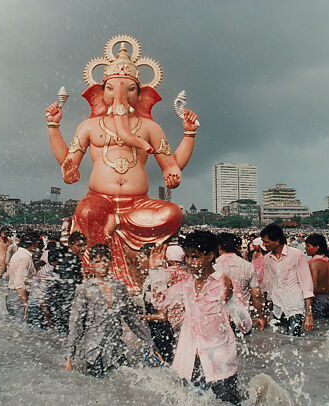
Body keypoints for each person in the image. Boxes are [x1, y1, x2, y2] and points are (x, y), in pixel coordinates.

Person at [45, 36, 198, 291]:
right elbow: (69, 162)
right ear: (100, 92)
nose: (120, 96)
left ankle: (117, 222)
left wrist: (189, 136)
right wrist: (53, 127)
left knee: (173, 213)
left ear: (140, 94)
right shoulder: (89, 127)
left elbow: (171, 164)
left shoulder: (149, 127)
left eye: (130, 89)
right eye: (111, 89)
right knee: (86, 211)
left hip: (136, 204)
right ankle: (105, 266)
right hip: (99, 199)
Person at [158, 231, 250, 405]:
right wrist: (155, 271)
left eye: (196, 257)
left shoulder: (225, 284)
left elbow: (246, 326)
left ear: (210, 256)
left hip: (220, 364)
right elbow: (159, 303)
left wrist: (230, 302)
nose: (190, 263)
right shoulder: (186, 285)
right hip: (190, 362)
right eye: (188, 257)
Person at [65, 244, 160, 377]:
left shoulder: (119, 287)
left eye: (104, 261)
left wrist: (148, 342)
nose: (101, 265)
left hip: (115, 347)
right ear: (91, 264)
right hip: (93, 350)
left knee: (124, 382)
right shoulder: (84, 289)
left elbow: (131, 318)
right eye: (97, 261)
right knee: (96, 385)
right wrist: (69, 357)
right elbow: (76, 323)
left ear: (110, 262)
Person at [261, 224, 314, 336]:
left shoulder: (296, 254)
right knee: (279, 341)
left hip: (295, 306)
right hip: (278, 307)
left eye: (266, 242)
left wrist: (309, 314)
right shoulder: (267, 259)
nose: (263, 245)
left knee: (294, 339)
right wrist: (266, 313)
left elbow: (306, 284)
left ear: (276, 241)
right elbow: (269, 284)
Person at [215, 233, 266, 330]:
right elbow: (256, 295)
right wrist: (260, 316)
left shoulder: (214, 266)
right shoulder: (248, 266)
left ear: (219, 247)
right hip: (242, 315)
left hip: (221, 316)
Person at [48, 232, 86, 333]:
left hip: (61, 310)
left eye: (84, 245)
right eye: (79, 245)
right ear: (71, 245)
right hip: (65, 313)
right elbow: (68, 292)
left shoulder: (72, 260)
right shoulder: (69, 263)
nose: (83, 249)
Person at [304, 234, 329, 319]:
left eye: (308, 246)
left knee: (314, 329)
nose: (305, 248)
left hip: (317, 300)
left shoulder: (313, 264)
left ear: (317, 247)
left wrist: (308, 309)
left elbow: (313, 288)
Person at [6, 230, 39, 321]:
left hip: (14, 295)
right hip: (18, 297)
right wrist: (26, 304)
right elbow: (19, 284)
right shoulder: (24, 257)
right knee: (22, 327)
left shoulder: (19, 254)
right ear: (35, 243)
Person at [26, 248, 58, 329]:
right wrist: (48, 319)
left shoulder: (46, 267)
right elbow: (42, 298)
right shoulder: (48, 272)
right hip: (37, 309)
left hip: (33, 307)